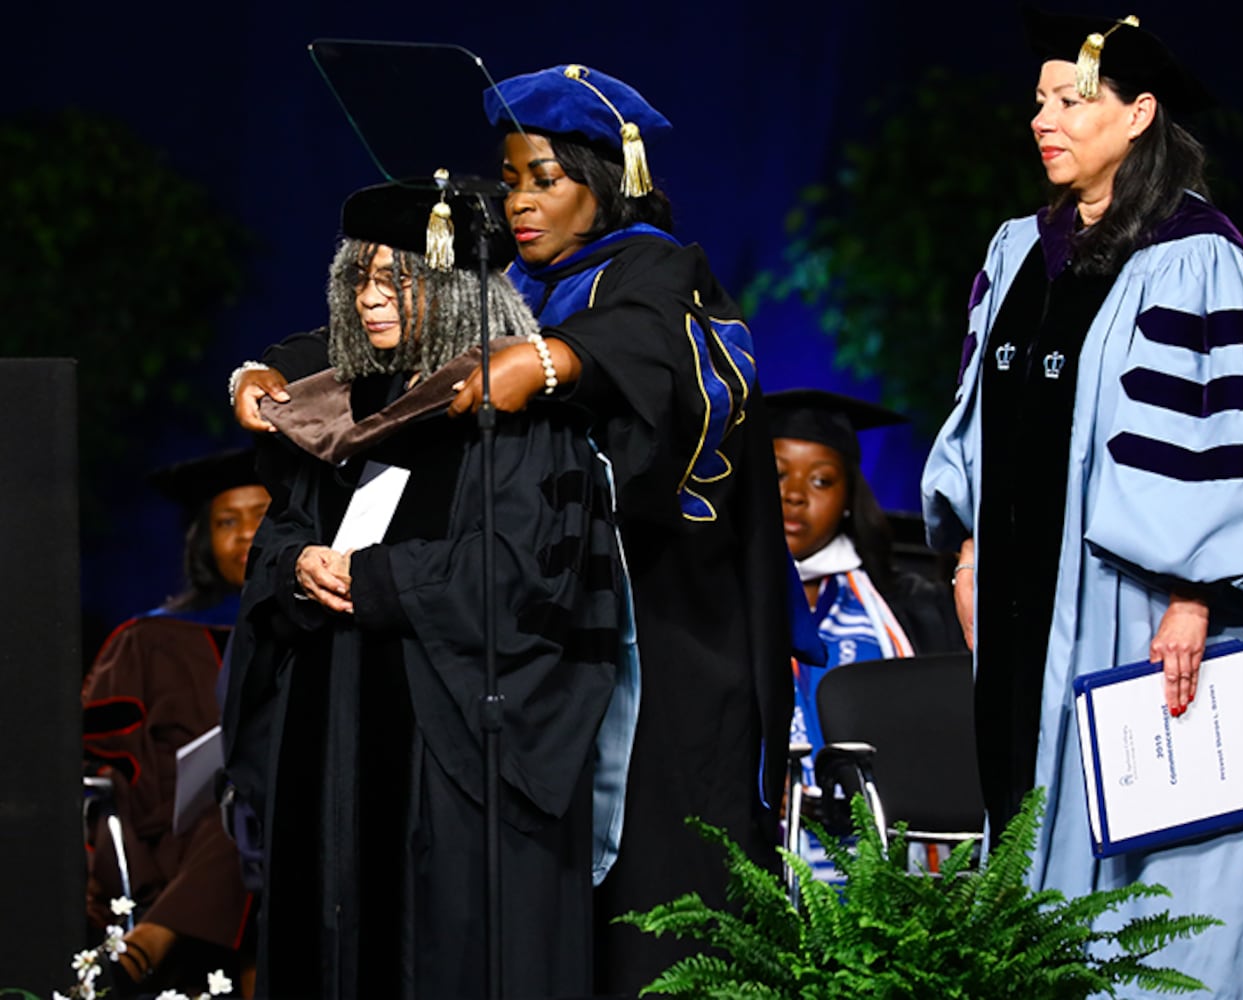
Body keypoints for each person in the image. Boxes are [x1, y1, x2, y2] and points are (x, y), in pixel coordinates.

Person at [230, 64, 795, 998]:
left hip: (656, 631)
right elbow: (395, 333)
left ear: (607, 181)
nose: (520, 203)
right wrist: (263, 370)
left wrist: (555, 357)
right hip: (533, 635)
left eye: (546, 179)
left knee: (655, 895)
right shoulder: (521, 284)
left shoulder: (657, 271)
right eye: (511, 179)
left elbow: (661, 356)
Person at [920, 10, 1243, 996]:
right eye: (1039, 101)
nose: (1044, 119)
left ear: (1140, 113)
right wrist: (971, 554)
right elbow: (982, 419)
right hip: (1022, 609)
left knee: (1160, 864)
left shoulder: (1197, 256)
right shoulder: (1020, 248)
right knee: (1027, 828)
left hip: (1145, 616)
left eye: (1073, 100)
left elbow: (1222, 443)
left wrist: (1194, 598)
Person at [218, 176, 628, 999]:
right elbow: (282, 536)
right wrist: (300, 566)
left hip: (452, 752)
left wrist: (370, 578)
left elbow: (516, 575)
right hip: (330, 738)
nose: (369, 300)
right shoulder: (339, 412)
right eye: (356, 281)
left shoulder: (518, 421)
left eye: (393, 281)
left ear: (451, 291)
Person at [82, 446, 268, 997]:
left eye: (261, 517)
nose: (244, 536)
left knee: (254, 801)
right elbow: (107, 757)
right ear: (203, 540)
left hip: (274, 821)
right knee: (243, 809)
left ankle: (147, 947)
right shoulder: (148, 638)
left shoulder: (311, 631)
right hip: (170, 830)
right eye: (225, 522)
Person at [768, 388, 960, 770]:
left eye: (821, 481)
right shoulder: (713, 602)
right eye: (777, 474)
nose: (795, 496)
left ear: (847, 500)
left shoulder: (914, 608)